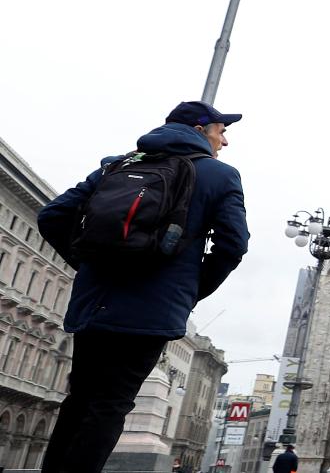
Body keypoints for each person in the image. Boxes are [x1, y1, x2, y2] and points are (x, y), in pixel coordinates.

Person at [37, 101, 249, 473]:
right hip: (152, 312)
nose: (225, 140)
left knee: (80, 400)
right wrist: (189, 290)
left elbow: (52, 216)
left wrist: (89, 267)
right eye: (221, 130)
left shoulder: (118, 165)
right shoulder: (220, 176)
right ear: (200, 130)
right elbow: (233, 245)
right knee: (110, 405)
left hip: (95, 304)